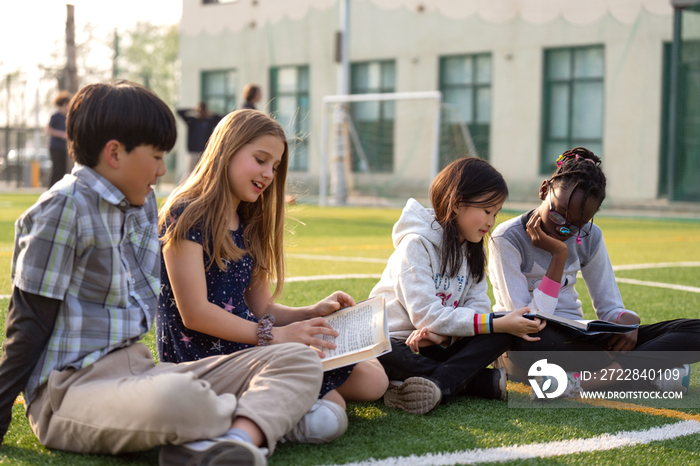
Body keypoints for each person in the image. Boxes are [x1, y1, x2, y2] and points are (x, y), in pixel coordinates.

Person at [0, 81, 325, 466]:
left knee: (298, 358)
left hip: (140, 370)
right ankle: (269, 414)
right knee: (180, 397)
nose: (163, 169)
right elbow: (27, 323)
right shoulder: (61, 210)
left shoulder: (140, 201)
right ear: (114, 153)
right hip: (70, 388)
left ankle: (237, 439)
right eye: (156, 156)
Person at [157, 109, 388, 444]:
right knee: (352, 395)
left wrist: (310, 313)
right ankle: (243, 418)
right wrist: (276, 337)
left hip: (248, 342)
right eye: (260, 160)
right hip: (203, 357)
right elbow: (194, 313)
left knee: (370, 376)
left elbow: (262, 307)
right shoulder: (186, 213)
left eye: (275, 166)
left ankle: (258, 407)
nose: (268, 174)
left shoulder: (247, 218)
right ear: (227, 150)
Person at [489, 147, 700, 397]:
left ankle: (580, 383)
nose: (563, 231)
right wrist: (558, 256)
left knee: (693, 330)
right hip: (530, 341)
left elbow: (610, 308)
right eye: (557, 215)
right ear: (544, 189)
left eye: (576, 226)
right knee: (536, 343)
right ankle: (645, 371)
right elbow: (527, 322)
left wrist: (627, 323)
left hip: (579, 337)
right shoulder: (507, 238)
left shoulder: (591, 237)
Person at [369, 157, 545, 414]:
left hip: (440, 341)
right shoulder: (415, 245)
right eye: (487, 211)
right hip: (400, 343)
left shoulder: (472, 250)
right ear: (457, 203)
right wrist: (486, 323)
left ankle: (430, 383)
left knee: (504, 329)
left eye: (495, 214)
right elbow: (425, 316)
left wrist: (445, 336)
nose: (491, 222)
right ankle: (474, 382)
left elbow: (479, 306)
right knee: (376, 349)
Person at [176, 102, 223, 182]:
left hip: (204, 152)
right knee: (188, 174)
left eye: (203, 110)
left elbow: (223, 118)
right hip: (192, 152)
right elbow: (179, 112)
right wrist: (192, 109)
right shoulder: (192, 121)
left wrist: (212, 114)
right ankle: (182, 191)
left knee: (205, 173)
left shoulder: (209, 121)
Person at [46, 90, 72, 187]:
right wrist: (61, 134)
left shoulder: (68, 117)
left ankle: (60, 189)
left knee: (63, 170)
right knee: (57, 169)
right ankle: (51, 190)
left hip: (64, 147)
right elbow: (49, 129)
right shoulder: (55, 116)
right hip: (55, 147)